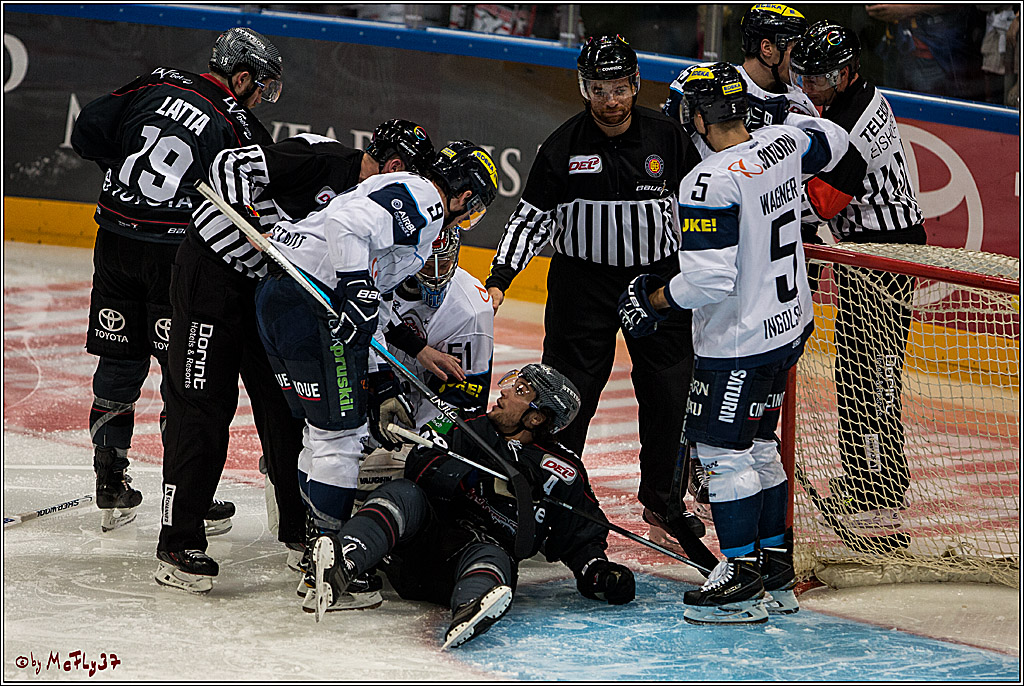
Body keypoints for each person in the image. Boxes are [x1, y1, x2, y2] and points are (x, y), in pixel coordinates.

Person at [154, 120, 436, 593]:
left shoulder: (369, 207)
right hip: (215, 280)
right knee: (201, 407)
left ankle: (300, 534)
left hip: (278, 297)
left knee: (289, 416)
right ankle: (178, 540)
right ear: (394, 167)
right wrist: (264, 228)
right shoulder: (319, 156)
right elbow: (228, 165)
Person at [618, 62, 852, 623]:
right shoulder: (783, 141)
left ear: (698, 115)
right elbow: (836, 139)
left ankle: (741, 576)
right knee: (761, 446)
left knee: (725, 456)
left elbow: (707, 283)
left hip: (740, 341)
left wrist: (650, 304)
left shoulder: (707, 180)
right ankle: (775, 570)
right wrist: (784, 114)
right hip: (789, 327)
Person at [248, 141, 499, 610]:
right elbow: (347, 227)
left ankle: (314, 554)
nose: (469, 215)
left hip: (283, 298)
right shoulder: (425, 197)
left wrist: (382, 380)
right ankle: (328, 569)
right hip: (311, 303)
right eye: (476, 204)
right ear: (464, 192)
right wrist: (356, 286)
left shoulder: (402, 192)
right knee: (338, 439)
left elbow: (373, 301)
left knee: (320, 435)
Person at [485, 34, 705, 549]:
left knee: (669, 390)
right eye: (599, 89)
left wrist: (705, 275)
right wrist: (500, 277)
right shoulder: (561, 146)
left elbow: (701, 209)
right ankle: (555, 498)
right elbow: (531, 219)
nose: (611, 100)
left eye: (620, 88)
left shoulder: (669, 138)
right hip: (582, 286)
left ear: (635, 85)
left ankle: (663, 500)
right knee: (565, 395)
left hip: (657, 285)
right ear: (585, 89)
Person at [70, 27, 281, 533]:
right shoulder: (239, 125)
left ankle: (110, 479)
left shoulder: (155, 82)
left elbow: (86, 132)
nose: (263, 100)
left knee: (118, 358)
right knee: (185, 378)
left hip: (116, 242)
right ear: (244, 76)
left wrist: (125, 176)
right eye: (263, 87)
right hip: (175, 258)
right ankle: (186, 495)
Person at [312, 363, 635, 648]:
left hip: (472, 558)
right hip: (420, 546)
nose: (504, 391)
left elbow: (579, 535)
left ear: (536, 417)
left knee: (492, 555)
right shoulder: (466, 424)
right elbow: (418, 465)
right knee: (403, 493)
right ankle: (346, 561)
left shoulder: (562, 470)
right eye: (512, 382)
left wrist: (600, 573)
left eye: (520, 390)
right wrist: (469, 478)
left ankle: (470, 607)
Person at [791, 22, 927, 529]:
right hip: (861, 251)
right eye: (803, 74)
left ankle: (885, 481)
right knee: (854, 368)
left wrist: (767, 201)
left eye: (819, 77)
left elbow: (824, 202)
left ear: (846, 74)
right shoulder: (853, 97)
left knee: (877, 370)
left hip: (887, 253)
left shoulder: (853, 122)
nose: (808, 86)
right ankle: (862, 476)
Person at [385, 226, 494, 429]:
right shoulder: (380, 275)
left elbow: (465, 399)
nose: (435, 277)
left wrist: (427, 439)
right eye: (426, 266)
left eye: (444, 266)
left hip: (416, 419)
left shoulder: (471, 311)